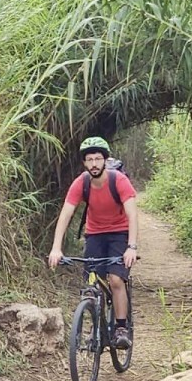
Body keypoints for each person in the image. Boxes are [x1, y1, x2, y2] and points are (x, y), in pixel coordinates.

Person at [47, 136, 139, 349]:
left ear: (105, 160)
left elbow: (132, 214)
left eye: (98, 159)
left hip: (120, 233)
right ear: (84, 163)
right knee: (92, 283)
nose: (94, 164)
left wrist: (131, 247)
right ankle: (95, 327)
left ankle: (121, 328)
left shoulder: (119, 180)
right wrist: (56, 248)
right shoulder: (82, 182)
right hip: (95, 234)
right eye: (90, 160)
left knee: (116, 280)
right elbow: (65, 214)